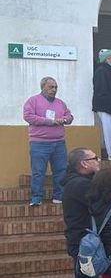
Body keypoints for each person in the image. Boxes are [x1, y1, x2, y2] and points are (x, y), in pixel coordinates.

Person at [61, 148, 102, 278]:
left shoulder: (78, 182)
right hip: (83, 246)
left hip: (83, 243)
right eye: (95, 158)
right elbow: (99, 204)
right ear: (84, 163)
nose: (98, 160)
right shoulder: (79, 185)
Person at [24, 77, 72, 206]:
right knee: (38, 171)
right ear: (43, 87)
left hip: (59, 143)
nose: (54, 90)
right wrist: (50, 121)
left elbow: (69, 116)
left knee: (61, 170)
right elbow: (28, 117)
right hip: (39, 143)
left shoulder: (60, 103)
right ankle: (36, 198)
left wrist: (65, 119)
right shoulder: (33, 101)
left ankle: (59, 196)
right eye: (51, 87)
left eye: (56, 87)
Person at [93, 49, 111, 160]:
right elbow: (101, 91)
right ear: (108, 59)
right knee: (109, 130)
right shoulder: (101, 71)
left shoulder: (110, 71)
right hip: (105, 106)